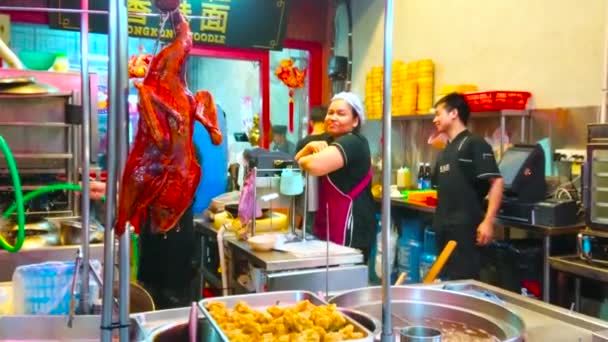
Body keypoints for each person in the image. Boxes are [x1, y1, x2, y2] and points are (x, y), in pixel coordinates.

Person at [89, 145, 203, 309]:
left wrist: (121, 191)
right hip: (152, 248)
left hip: (174, 256)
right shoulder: (157, 148)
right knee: (149, 296)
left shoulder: (186, 151)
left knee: (169, 306)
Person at [431, 92, 504, 280]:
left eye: (438, 113)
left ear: (454, 113)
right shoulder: (445, 150)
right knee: (447, 284)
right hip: (444, 229)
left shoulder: (474, 143)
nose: (435, 119)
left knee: (464, 285)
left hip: (465, 231)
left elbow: (496, 181)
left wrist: (488, 221)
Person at [295, 92, 376, 262]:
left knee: (344, 284)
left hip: (352, 231)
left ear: (355, 121)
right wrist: (308, 147)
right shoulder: (329, 139)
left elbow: (315, 166)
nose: (333, 117)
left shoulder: (354, 142)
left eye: (341, 113)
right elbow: (293, 165)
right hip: (329, 223)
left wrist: (304, 157)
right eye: (330, 113)